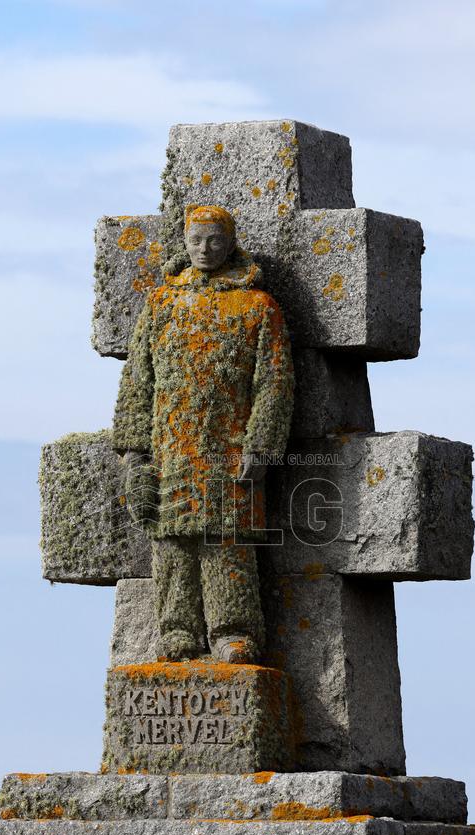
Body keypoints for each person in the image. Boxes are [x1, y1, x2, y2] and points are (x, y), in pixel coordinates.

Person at [114, 205, 294, 663]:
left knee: (227, 542)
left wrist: (262, 444)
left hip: (229, 448)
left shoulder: (257, 306)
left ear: (230, 242)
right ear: (184, 241)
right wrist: (134, 452)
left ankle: (233, 632)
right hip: (170, 448)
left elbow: (273, 382)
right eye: (196, 240)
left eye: (214, 240)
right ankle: (177, 631)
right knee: (172, 542)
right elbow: (139, 380)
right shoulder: (161, 304)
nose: (204, 249)